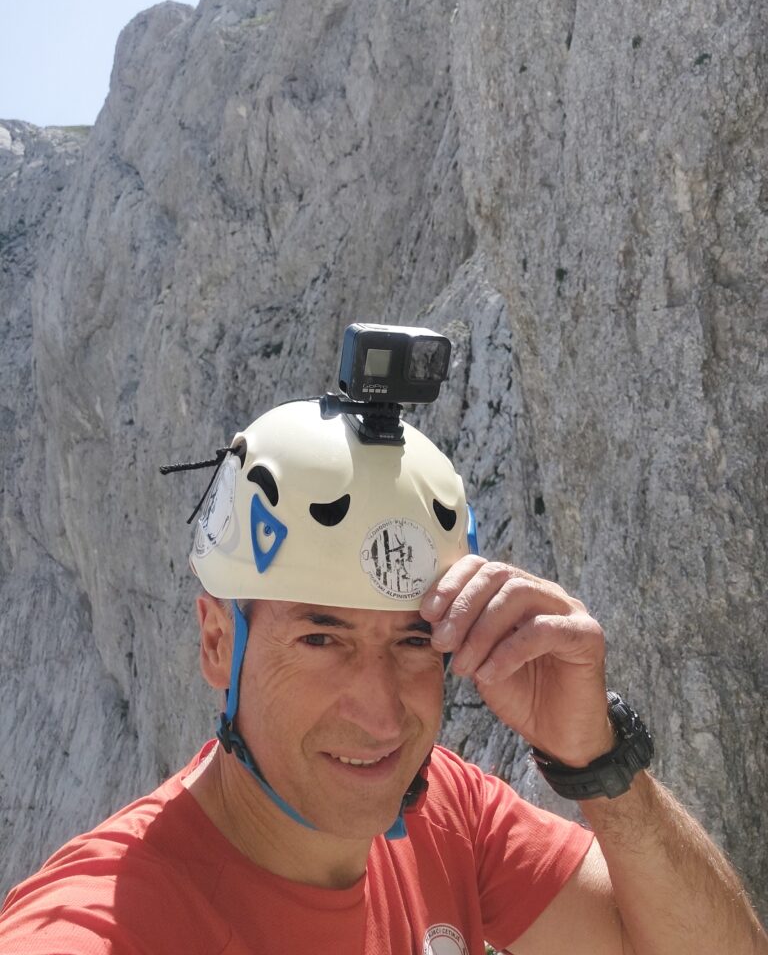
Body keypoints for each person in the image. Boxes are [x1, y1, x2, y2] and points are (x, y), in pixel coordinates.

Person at [0, 398, 765, 954]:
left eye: (414, 640)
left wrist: (599, 763)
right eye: (322, 638)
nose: (380, 714)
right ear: (216, 644)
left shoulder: (445, 813)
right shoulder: (112, 922)